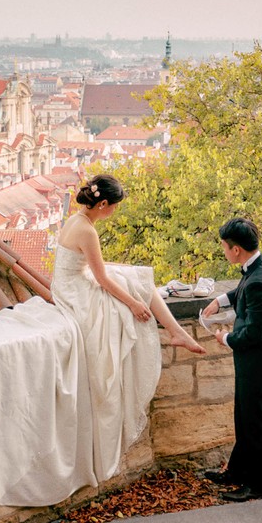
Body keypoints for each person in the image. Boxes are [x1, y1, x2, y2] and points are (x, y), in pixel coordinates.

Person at [52, 174, 205, 478]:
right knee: (138, 288)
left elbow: (94, 266)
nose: (114, 213)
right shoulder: (87, 230)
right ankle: (176, 331)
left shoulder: (77, 220)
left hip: (67, 285)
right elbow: (103, 279)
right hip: (76, 293)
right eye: (114, 207)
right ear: (104, 203)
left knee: (139, 277)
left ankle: (176, 331)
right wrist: (134, 305)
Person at [200, 217, 262, 501]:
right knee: (244, 416)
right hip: (254, 361)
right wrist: (220, 300)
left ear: (236, 250)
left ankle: (259, 485)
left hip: (259, 362)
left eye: (224, 247)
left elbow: (253, 334)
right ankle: (236, 472)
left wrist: (224, 338)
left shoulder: (260, 280)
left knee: (255, 424)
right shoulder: (261, 264)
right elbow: (243, 288)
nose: (223, 251)